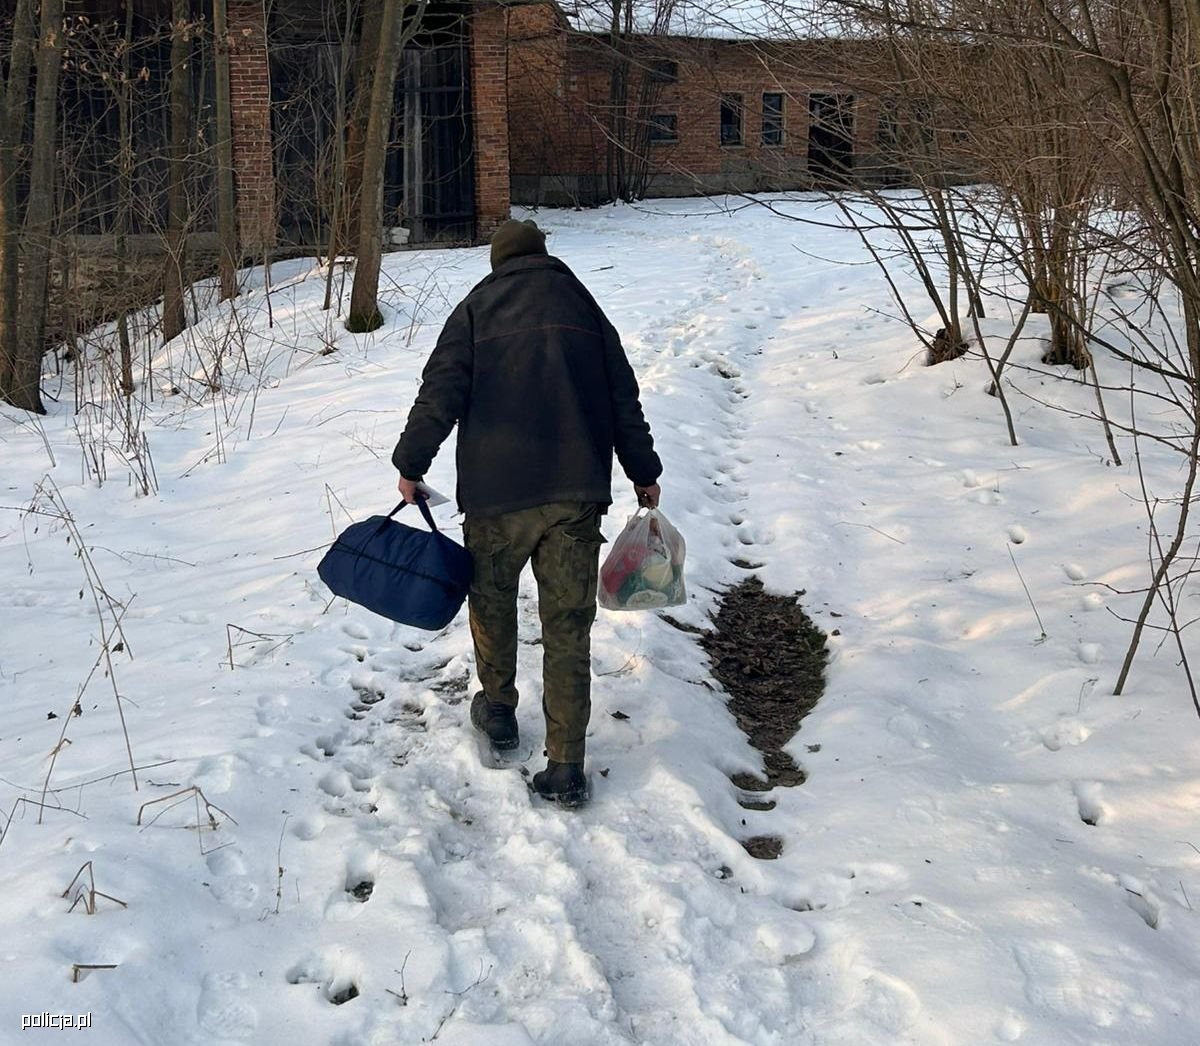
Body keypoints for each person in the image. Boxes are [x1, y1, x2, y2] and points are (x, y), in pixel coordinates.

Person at [391, 219, 662, 808]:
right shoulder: (583, 306)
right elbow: (623, 397)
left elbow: (440, 392)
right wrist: (643, 471)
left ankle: (497, 711)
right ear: (542, 255)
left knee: (492, 602)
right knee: (568, 625)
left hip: (496, 494)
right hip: (575, 492)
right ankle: (566, 765)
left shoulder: (476, 308)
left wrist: (411, 463)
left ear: (498, 261)